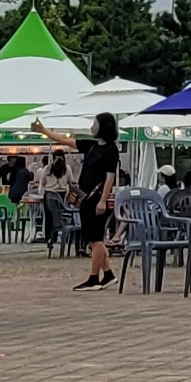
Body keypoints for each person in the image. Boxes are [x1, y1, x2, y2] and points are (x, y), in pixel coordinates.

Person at [72, 113, 118, 287]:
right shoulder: (92, 146)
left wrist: (103, 200)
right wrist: (44, 131)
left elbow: (110, 178)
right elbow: (66, 141)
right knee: (93, 239)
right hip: (86, 198)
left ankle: (93, 278)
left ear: (104, 127)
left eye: (95, 124)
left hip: (96, 197)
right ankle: (108, 274)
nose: (92, 127)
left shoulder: (111, 150)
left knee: (96, 239)